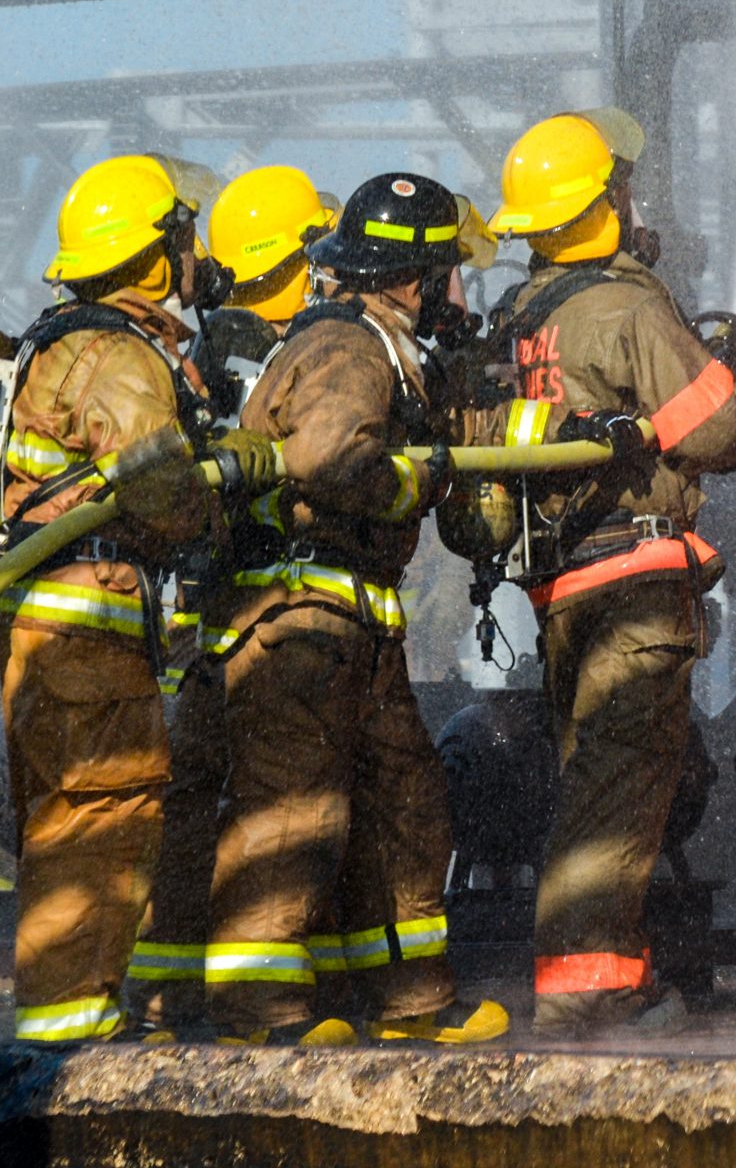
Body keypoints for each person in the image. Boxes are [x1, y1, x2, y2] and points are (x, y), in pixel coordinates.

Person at [197, 172, 506, 1046]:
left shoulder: (382, 345)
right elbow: (330, 457)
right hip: (297, 618)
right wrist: (414, 475)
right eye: (449, 271)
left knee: (401, 803)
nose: (458, 291)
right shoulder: (348, 345)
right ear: (414, 275)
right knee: (295, 810)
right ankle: (258, 1013)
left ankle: (412, 997)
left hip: (351, 622)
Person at [480, 111, 736, 1036]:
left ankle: (595, 976)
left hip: (561, 592)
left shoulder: (522, 320)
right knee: (617, 793)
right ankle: (589, 992)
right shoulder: (629, 308)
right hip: (637, 586)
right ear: (604, 202)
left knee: (596, 780)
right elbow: (715, 433)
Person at [0, 153, 277, 1042]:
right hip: (91, 634)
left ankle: (68, 1021)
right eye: (181, 236)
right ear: (153, 253)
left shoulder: (62, 341)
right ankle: (65, 1040)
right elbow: (166, 490)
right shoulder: (118, 357)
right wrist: (234, 471)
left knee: (77, 820)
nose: (193, 253)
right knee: (97, 822)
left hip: (59, 632)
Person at [127, 163, 334, 1037]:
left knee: (193, 800)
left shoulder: (207, 351)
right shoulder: (280, 359)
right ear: (290, 259)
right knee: (274, 803)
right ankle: (260, 1003)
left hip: (198, 616)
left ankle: (168, 990)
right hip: (262, 610)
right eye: (317, 251)